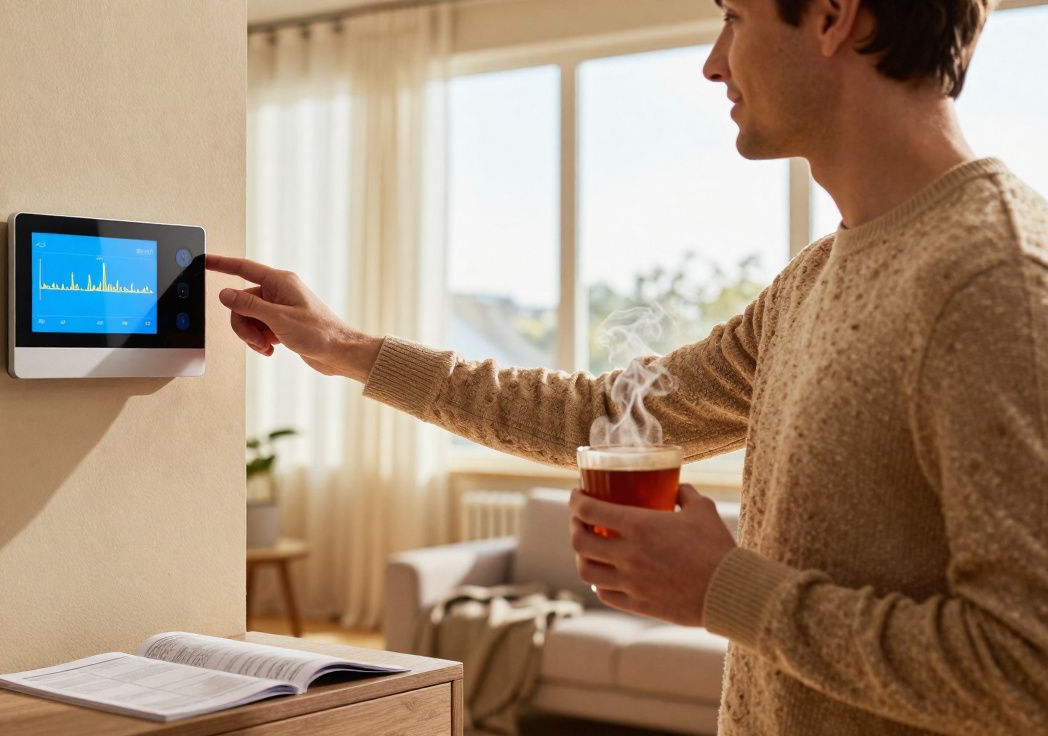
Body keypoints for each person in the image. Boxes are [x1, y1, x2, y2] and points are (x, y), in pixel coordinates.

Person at [208, 0, 1048, 731]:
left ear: (832, 15)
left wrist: (726, 588)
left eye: (733, 17)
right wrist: (345, 347)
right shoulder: (816, 280)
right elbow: (598, 414)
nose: (714, 62)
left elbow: (1026, 670)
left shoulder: (993, 279)